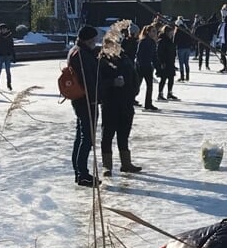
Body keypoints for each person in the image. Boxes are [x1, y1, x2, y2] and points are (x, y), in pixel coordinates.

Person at [98, 21, 143, 178]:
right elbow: (98, 84)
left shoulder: (125, 58)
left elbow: (134, 76)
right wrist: (112, 83)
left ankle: (126, 163)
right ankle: (107, 166)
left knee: (124, 135)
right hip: (110, 104)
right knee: (108, 135)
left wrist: (133, 92)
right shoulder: (102, 61)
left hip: (126, 103)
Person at [66, 25, 100, 187]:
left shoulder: (76, 50)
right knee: (87, 137)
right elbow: (90, 79)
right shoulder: (82, 55)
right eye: (93, 39)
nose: (96, 42)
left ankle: (78, 171)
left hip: (79, 98)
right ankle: (82, 174)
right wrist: (94, 99)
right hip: (86, 100)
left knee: (81, 135)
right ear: (87, 39)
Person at [134, 22, 160, 112]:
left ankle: (148, 104)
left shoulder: (152, 42)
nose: (154, 33)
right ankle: (131, 100)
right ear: (148, 32)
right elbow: (138, 54)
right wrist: (140, 65)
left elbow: (154, 56)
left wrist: (158, 68)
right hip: (141, 66)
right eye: (153, 31)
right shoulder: (143, 41)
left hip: (148, 66)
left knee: (149, 86)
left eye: (155, 31)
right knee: (137, 85)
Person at [155, 24, 179, 102]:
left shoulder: (170, 41)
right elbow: (159, 52)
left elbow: (172, 51)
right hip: (165, 62)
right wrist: (161, 62)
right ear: (167, 32)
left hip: (170, 62)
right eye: (171, 33)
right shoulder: (162, 41)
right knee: (163, 78)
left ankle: (169, 93)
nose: (172, 34)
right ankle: (160, 93)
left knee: (171, 78)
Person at [0, 23, 16, 91]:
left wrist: (14, 56)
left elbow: (12, 47)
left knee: (8, 70)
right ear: (0, 30)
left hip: (8, 56)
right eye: (2, 29)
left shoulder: (10, 37)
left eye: (5, 29)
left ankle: (9, 84)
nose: (4, 30)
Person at [174, 16, 195, 81]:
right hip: (187, 48)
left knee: (181, 63)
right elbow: (191, 38)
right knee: (186, 62)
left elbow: (175, 40)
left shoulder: (177, 30)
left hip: (180, 48)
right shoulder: (187, 30)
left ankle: (182, 76)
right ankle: (187, 76)